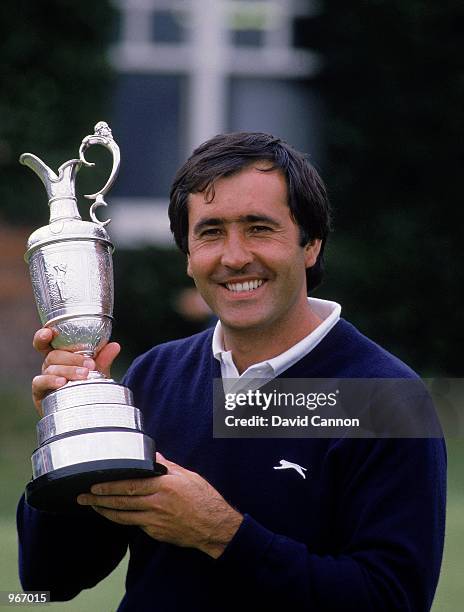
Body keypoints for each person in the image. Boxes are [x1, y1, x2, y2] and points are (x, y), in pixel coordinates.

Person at [17, 132, 446, 611]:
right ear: (188, 256)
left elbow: (392, 601)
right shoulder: (155, 375)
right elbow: (47, 582)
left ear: (311, 245)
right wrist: (64, 439)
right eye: (211, 231)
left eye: (259, 228)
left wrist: (222, 534)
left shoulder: (385, 399)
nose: (234, 256)